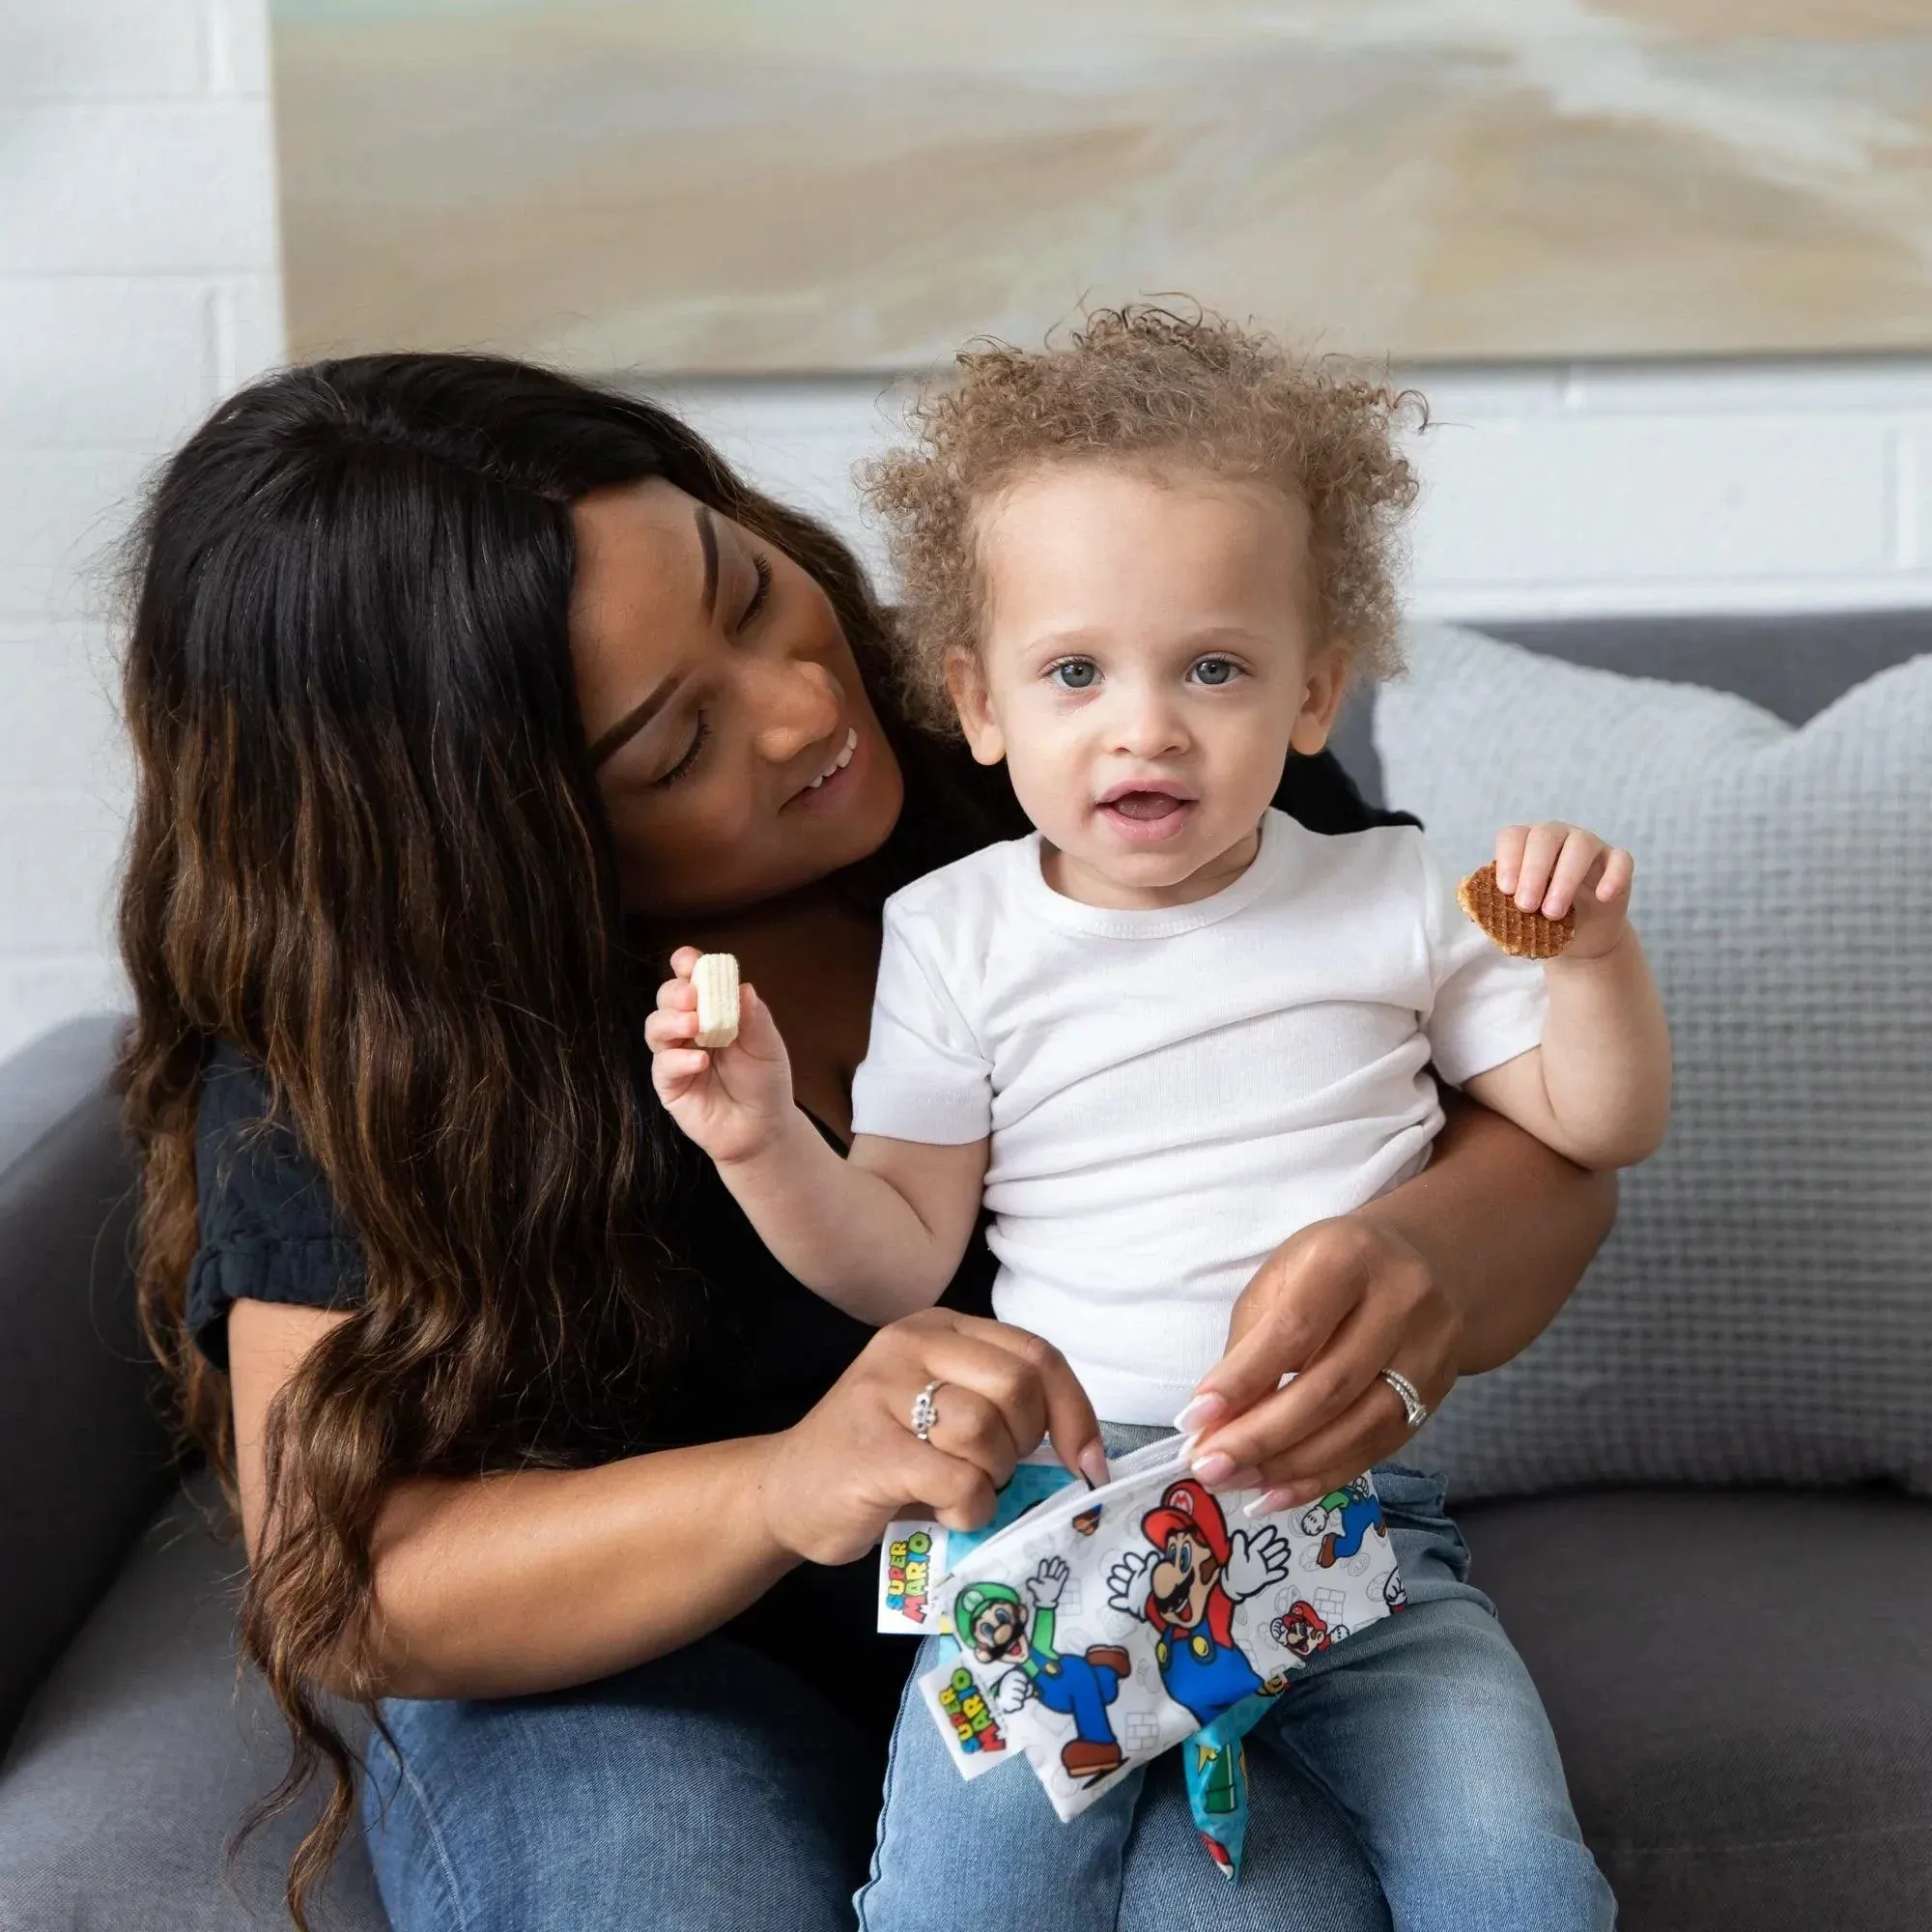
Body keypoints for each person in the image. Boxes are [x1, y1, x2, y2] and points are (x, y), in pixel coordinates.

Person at [119, 349, 1617, 1932]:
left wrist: (1419, 1258)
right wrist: (783, 1487)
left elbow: (1542, 1149)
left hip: (1135, 1571)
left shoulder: (1102, 724)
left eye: (749, 590)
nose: (807, 706)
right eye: (672, 748)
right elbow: (346, 1580)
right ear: (494, 843)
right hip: (638, 1674)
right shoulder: (358, 1051)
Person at [649, 309, 1658, 1926]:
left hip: (1352, 1519)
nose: (1146, 725)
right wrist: (761, 1133)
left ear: (1315, 691)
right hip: (1058, 1514)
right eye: (1074, 672)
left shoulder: (1393, 890)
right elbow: (897, 1263)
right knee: (958, 1906)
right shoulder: (959, 934)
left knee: (1515, 1877)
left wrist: (1592, 958)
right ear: (977, 705)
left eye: (1215, 666)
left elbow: (1594, 1126)